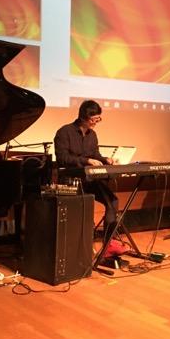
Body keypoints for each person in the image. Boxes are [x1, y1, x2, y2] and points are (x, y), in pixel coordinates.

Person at [54, 100, 124, 256]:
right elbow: (63, 158)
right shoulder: (64, 132)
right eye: (94, 120)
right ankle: (81, 247)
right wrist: (86, 161)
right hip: (71, 180)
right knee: (85, 204)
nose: (96, 123)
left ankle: (109, 243)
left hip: (89, 179)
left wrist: (106, 160)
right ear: (83, 117)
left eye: (98, 119)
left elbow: (95, 155)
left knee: (112, 201)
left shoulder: (92, 135)